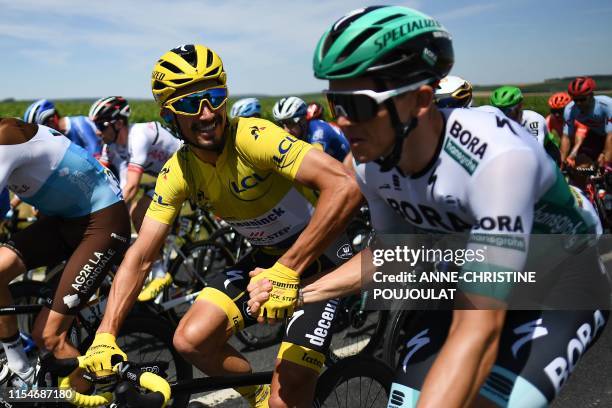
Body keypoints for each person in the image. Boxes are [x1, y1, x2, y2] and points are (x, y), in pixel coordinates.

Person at [248, 5, 610, 407]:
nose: (343, 123)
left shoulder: (498, 160)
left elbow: (479, 329)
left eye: (359, 106)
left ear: (420, 100)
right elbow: (394, 255)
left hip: (556, 285)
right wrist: (299, 292)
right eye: (336, 104)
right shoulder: (372, 163)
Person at [80, 44, 362, 408]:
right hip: (268, 259)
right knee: (190, 340)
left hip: (323, 255)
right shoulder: (178, 172)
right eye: (189, 104)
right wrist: (106, 332)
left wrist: (287, 270)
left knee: (288, 394)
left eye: (214, 96)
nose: (207, 112)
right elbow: (142, 256)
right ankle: (258, 397)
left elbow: (345, 185)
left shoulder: (253, 137)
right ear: (169, 115)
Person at [0, 118, 129, 389]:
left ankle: (89, 400)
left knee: (48, 335)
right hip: (64, 220)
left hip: (102, 221)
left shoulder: (5, 136)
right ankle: (20, 367)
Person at [88, 96, 182, 301]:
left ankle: (159, 273)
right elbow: (102, 181)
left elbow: (131, 186)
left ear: (119, 123)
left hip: (186, 171)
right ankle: (160, 263)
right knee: (130, 213)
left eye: (100, 125)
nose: (96, 131)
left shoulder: (139, 135)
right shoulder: (110, 147)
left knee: (139, 213)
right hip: (163, 176)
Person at [490, 85, 561, 165]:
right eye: (498, 110)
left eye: (508, 111)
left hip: (547, 151)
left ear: (520, 107)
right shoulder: (494, 120)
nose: (503, 115)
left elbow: (537, 150)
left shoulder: (534, 120)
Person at [273, 96, 350, 161]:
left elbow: (314, 160)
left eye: (290, 122)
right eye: (281, 123)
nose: (286, 130)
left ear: (302, 120)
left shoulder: (319, 129)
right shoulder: (303, 131)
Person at [23, 99, 102, 158]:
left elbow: (96, 155)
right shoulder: (57, 137)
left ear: (53, 119)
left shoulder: (80, 123)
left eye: (44, 128)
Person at [561, 77, 612, 169]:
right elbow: (566, 137)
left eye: (582, 99)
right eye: (575, 100)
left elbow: (611, 136)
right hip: (597, 134)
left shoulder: (607, 104)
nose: (579, 103)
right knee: (581, 164)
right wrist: (562, 162)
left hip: (610, 134)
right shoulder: (570, 109)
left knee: (606, 165)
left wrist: (606, 159)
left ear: (591, 95)